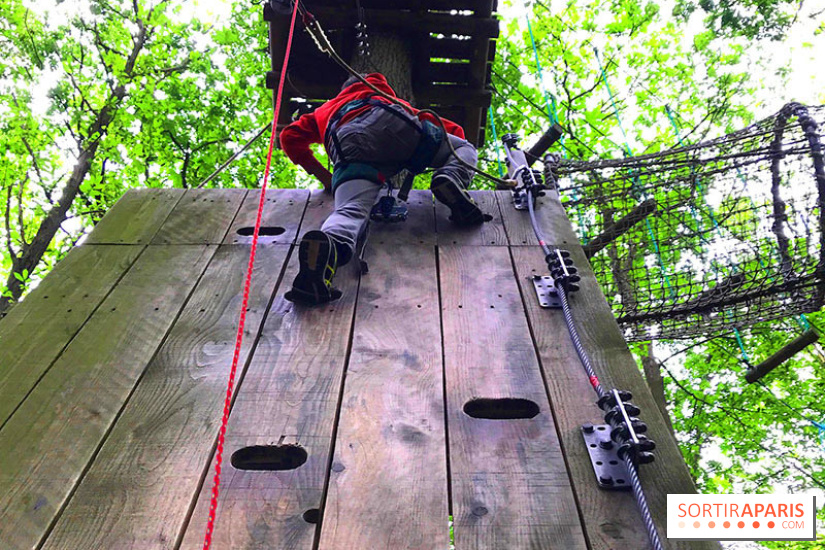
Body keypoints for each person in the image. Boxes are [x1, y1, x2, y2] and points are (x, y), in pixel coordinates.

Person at [280, 72, 488, 305]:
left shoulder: (324, 110)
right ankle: (450, 177)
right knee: (462, 149)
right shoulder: (385, 96)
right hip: (393, 122)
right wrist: (441, 160)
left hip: (346, 141)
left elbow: (288, 137)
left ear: (342, 90)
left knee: (349, 211)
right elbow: (454, 133)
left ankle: (328, 248)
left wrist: (325, 177)